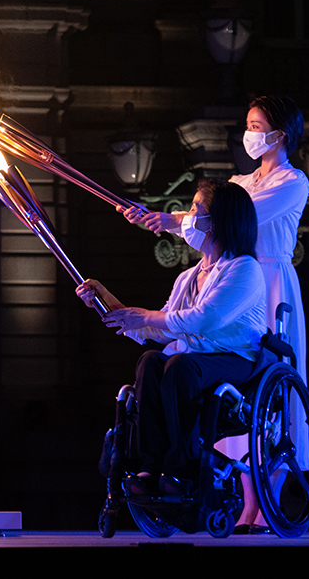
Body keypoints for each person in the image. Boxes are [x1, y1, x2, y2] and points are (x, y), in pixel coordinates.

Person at [117, 96, 309, 529]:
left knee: (268, 398)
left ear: (281, 133)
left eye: (259, 125)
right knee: (177, 368)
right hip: (224, 271)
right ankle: (229, 496)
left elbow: (237, 219)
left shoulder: (293, 181)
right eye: (249, 124)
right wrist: (162, 220)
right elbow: (213, 218)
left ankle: (266, 500)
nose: (251, 133)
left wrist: (172, 219)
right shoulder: (240, 180)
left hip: (265, 279)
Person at [77, 180, 266, 494]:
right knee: (152, 359)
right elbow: (159, 330)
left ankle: (181, 469)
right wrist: (106, 300)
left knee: (178, 365)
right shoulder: (188, 276)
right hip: (194, 361)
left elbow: (203, 320)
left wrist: (146, 316)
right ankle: (149, 466)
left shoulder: (244, 268)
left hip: (237, 359)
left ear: (218, 221)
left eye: (195, 209)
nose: (188, 218)